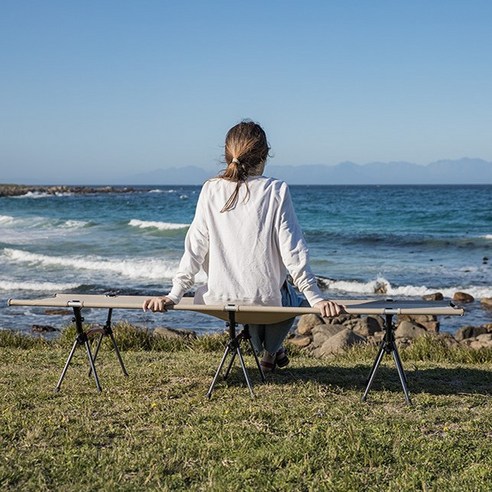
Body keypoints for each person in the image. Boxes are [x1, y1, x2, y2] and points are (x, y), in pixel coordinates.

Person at [143, 120, 343, 371]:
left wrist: (174, 294)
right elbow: (293, 252)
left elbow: (195, 247)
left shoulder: (210, 189)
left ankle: (273, 351)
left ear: (227, 155)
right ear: (264, 156)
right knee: (293, 298)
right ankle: (270, 351)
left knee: (260, 290)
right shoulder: (276, 190)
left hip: (220, 301)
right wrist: (316, 298)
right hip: (265, 302)